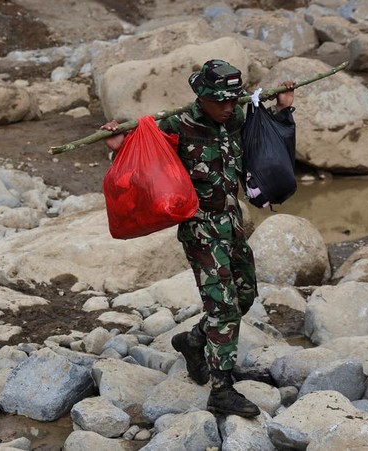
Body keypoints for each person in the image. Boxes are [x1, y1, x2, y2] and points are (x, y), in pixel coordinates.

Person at [102, 60, 295, 420]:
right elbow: (140, 166)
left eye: (231, 99)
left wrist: (282, 109)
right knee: (222, 307)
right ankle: (221, 389)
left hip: (233, 223)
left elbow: (265, 135)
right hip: (200, 228)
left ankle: (192, 341)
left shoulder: (236, 117)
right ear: (201, 96)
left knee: (245, 294)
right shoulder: (177, 126)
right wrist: (118, 146)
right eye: (219, 101)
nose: (226, 107)